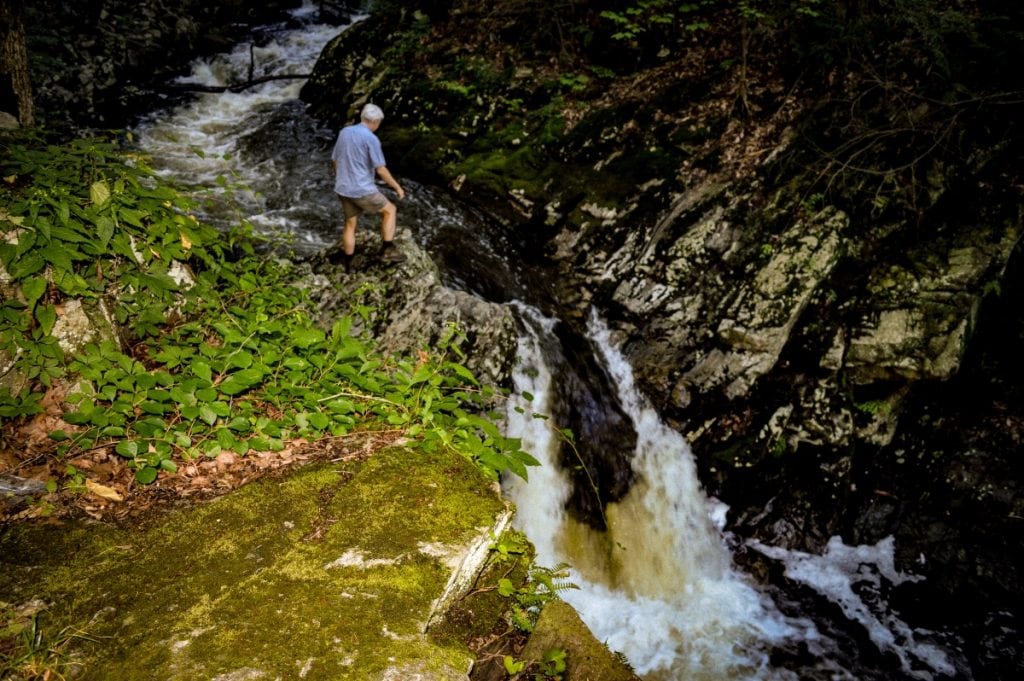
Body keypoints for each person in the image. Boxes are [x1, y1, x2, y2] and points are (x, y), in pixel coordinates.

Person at [330, 103, 406, 270]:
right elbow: (381, 170)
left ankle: (348, 262)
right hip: (361, 189)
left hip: (342, 187)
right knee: (390, 210)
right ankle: (387, 250)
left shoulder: (345, 132)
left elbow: (334, 160)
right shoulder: (371, 139)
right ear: (375, 122)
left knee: (350, 223)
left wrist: (341, 177)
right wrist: (397, 188)